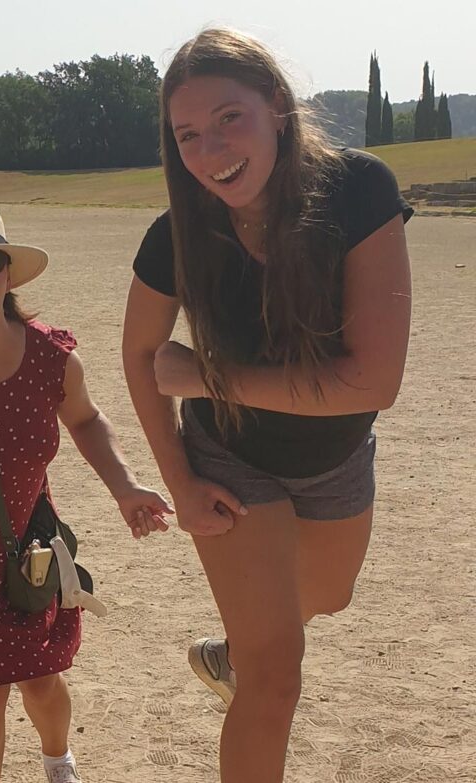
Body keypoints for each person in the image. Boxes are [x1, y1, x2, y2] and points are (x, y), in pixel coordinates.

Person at [122, 28, 412, 783]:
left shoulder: (358, 192)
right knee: (276, 673)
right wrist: (180, 481)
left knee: (328, 597)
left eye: (229, 118)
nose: (210, 148)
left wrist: (212, 375)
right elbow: (138, 352)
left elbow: (373, 382)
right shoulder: (179, 234)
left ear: (277, 106)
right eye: (187, 134)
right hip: (231, 459)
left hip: (338, 452)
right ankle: (248, 655)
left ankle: (231, 649)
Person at [0, 193, 172, 783]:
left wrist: (125, 486)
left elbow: (88, 420)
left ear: (8, 274)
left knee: (43, 681)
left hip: (30, 551)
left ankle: (56, 758)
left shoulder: (49, 354)